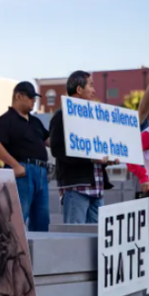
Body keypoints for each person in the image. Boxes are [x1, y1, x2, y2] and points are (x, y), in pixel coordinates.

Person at [49, 70, 116, 224]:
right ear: (79, 89)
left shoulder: (93, 118)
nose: (94, 90)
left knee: (96, 240)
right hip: (76, 188)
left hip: (96, 187)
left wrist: (108, 159)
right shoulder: (61, 116)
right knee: (75, 239)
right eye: (91, 86)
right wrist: (91, 159)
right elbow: (58, 149)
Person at [0, 81, 50, 231]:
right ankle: (10, 253)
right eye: (31, 97)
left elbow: (49, 141)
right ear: (18, 96)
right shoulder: (6, 120)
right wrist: (15, 165)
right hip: (22, 172)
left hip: (41, 173)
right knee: (16, 218)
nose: (34, 101)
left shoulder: (35, 121)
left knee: (42, 220)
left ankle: (39, 253)